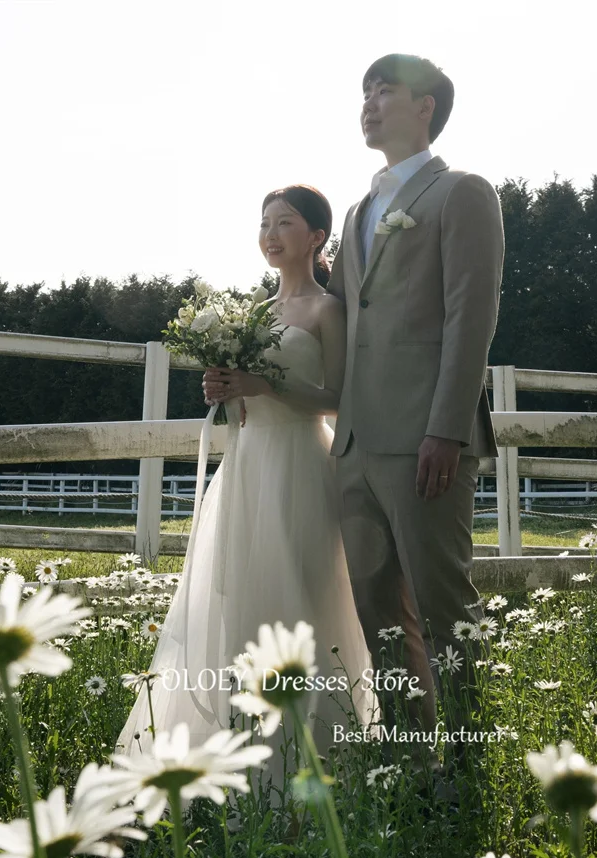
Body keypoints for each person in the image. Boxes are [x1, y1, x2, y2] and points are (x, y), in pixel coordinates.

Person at [117, 185, 380, 806]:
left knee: (304, 597)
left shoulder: (327, 310)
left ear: (317, 236)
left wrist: (264, 382)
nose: (270, 233)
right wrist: (226, 389)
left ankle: (318, 758)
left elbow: (341, 400)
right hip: (247, 466)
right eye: (263, 223)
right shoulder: (254, 314)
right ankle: (243, 759)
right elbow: (242, 406)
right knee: (242, 601)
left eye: (284, 222)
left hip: (301, 463)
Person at [327, 54, 505, 768]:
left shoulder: (461, 192)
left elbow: (472, 316)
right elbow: (340, 321)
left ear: (425, 105)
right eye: (364, 92)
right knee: (379, 614)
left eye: (384, 91)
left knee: (443, 610)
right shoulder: (358, 210)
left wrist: (445, 428)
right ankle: (411, 761)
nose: (368, 103)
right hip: (356, 446)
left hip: (427, 440)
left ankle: (467, 765)